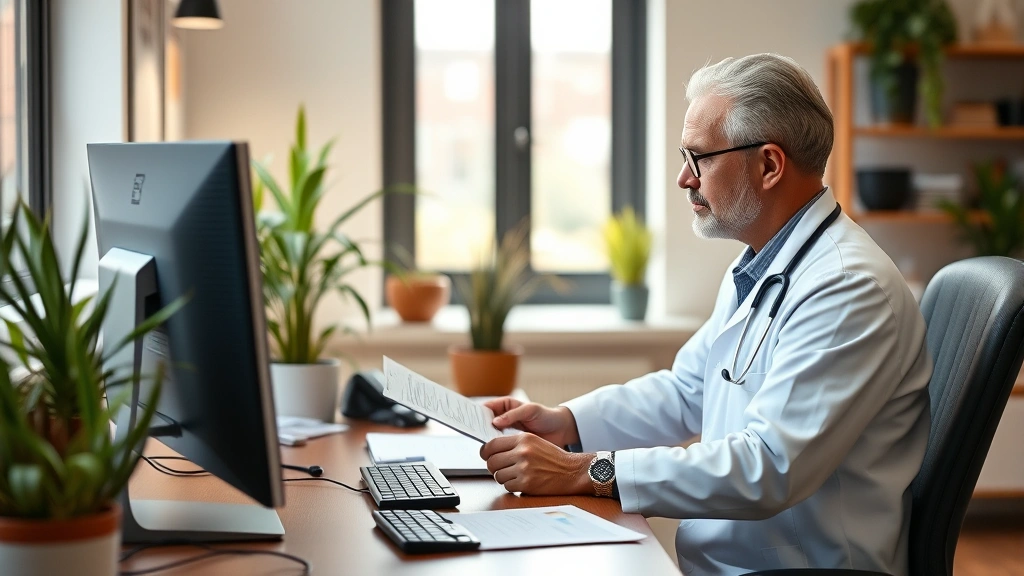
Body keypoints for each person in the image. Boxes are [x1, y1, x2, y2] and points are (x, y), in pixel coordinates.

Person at [479, 53, 932, 575]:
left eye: (699, 158)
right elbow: (688, 390)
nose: (683, 179)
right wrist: (568, 422)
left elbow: (770, 467)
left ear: (768, 165)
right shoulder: (762, 263)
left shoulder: (848, 287)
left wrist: (587, 470)